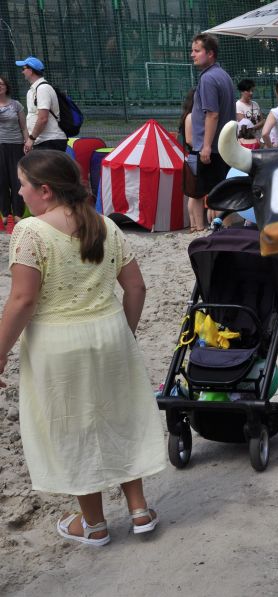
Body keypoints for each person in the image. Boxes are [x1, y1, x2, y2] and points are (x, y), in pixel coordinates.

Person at [0, 150, 165, 546]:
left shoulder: (30, 232)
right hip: (110, 333)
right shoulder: (105, 225)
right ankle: (139, 510)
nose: (20, 192)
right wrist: (124, 332)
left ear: (44, 190)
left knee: (74, 425)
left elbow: (22, 300)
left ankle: (93, 523)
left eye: (23, 184)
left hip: (58, 342)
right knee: (120, 416)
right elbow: (137, 287)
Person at [190, 33, 236, 206]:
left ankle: (218, 232)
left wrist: (206, 146)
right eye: (192, 50)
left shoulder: (208, 78)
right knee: (225, 195)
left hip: (212, 151)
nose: (192, 54)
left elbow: (212, 114)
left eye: (197, 50)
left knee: (215, 198)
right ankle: (225, 230)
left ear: (210, 54)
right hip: (223, 148)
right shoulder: (223, 74)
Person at [16, 56, 68, 153]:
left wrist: (31, 139)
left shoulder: (43, 88)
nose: (22, 72)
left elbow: (43, 118)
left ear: (31, 71)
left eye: (23, 68)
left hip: (50, 141)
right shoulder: (32, 91)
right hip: (41, 141)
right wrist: (30, 139)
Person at [178, 87, 206, 233]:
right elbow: (189, 139)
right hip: (195, 155)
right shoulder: (190, 117)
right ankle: (198, 226)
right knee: (196, 194)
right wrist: (204, 148)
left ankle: (194, 225)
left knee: (194, 193)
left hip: (193, 155)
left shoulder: (191, 115)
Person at [0, 75, 27, 219]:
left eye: (1, 84)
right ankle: (5, 213)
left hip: (16, 145)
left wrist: (28, 142)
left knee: (17, 179)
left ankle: (18, 213)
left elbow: (23, 127)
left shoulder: (16, 105)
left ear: (6, 87)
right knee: (1, 179)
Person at [234, 79, 263, 146]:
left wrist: (252, 127)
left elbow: (262, 121)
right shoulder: (238, 105)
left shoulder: (255, 104)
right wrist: (256, 126)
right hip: (246, 142)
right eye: (248, 91)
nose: (251, 93)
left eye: (252, 90)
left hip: (257, 140)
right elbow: (244, 127)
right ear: (242, 91)